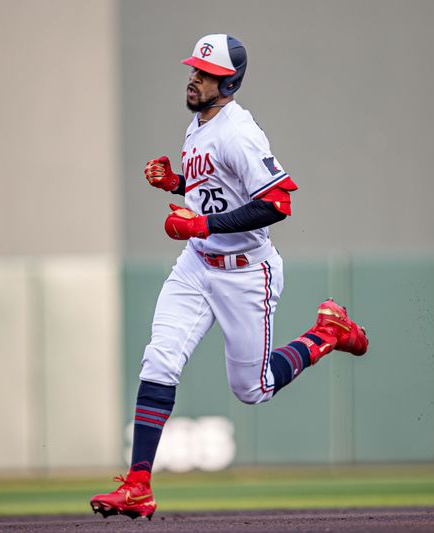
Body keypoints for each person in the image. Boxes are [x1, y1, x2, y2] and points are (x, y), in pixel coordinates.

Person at [90, 34, 369, 520]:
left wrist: (200, 223)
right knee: (159, 359)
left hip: (245, 272)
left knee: (253, 388)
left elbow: (277, 203)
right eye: (194, 70)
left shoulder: (239, 132)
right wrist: (177, 184)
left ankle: (327, 334)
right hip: (198, 265)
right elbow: (218, 192)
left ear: (230, 81)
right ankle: (138, 484)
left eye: (205, 73)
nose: (193, 78)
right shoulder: (199, 124)